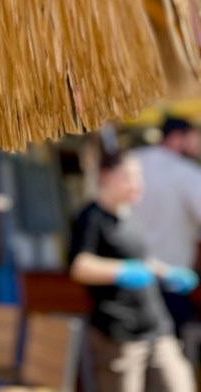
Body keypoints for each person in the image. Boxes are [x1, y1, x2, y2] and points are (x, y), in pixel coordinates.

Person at [69, 148, 196, 391]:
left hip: (157, 327)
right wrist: (121, 271)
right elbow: (79, 266)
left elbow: (142, 261)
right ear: (106, 176)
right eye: (128, 176)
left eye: (139, 176)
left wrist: (166, 273)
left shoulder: (131, 216)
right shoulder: (91, 217)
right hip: (119, 333)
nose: (136, 183)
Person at [132, 116, 201, 334]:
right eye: (195, 139)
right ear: (178, 138)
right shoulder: (186, 172)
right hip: (173, 280)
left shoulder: (130, 162)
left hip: (130, 276)